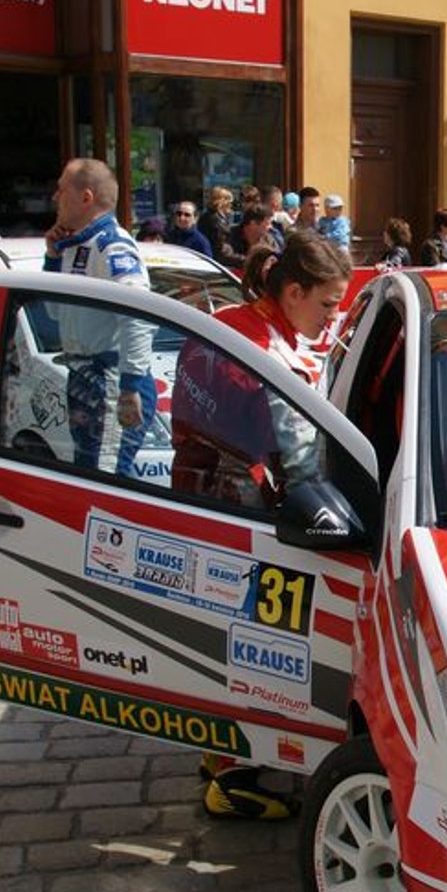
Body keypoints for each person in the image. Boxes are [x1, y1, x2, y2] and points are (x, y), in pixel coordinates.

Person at [172, 229, 353, 820]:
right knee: (249, 640)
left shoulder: (231, 319)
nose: (332, 318)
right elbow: (301, 459)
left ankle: (216, 751)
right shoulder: (268, 356)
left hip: (202, 493)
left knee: (220, 628)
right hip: (241, 509)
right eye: (327, 304)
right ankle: (232, 776)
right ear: (294, 290)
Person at [44, 157, 155, 478]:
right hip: (85, 376)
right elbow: (55, 313)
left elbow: (139, 313)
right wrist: (52, 259)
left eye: (61, 190)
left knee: (107, 478)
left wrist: (130, 385)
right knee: (91, 473)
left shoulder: (112, 245)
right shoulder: (75, 245)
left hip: (112, 379)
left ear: (86, 197)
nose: (55, 198)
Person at [197, 186, 236, 265]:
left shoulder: (211, 216)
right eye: (230, 202)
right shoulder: (215, 220)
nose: (231, 206)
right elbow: (220, 248)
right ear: (223, 202)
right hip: (217, 262)